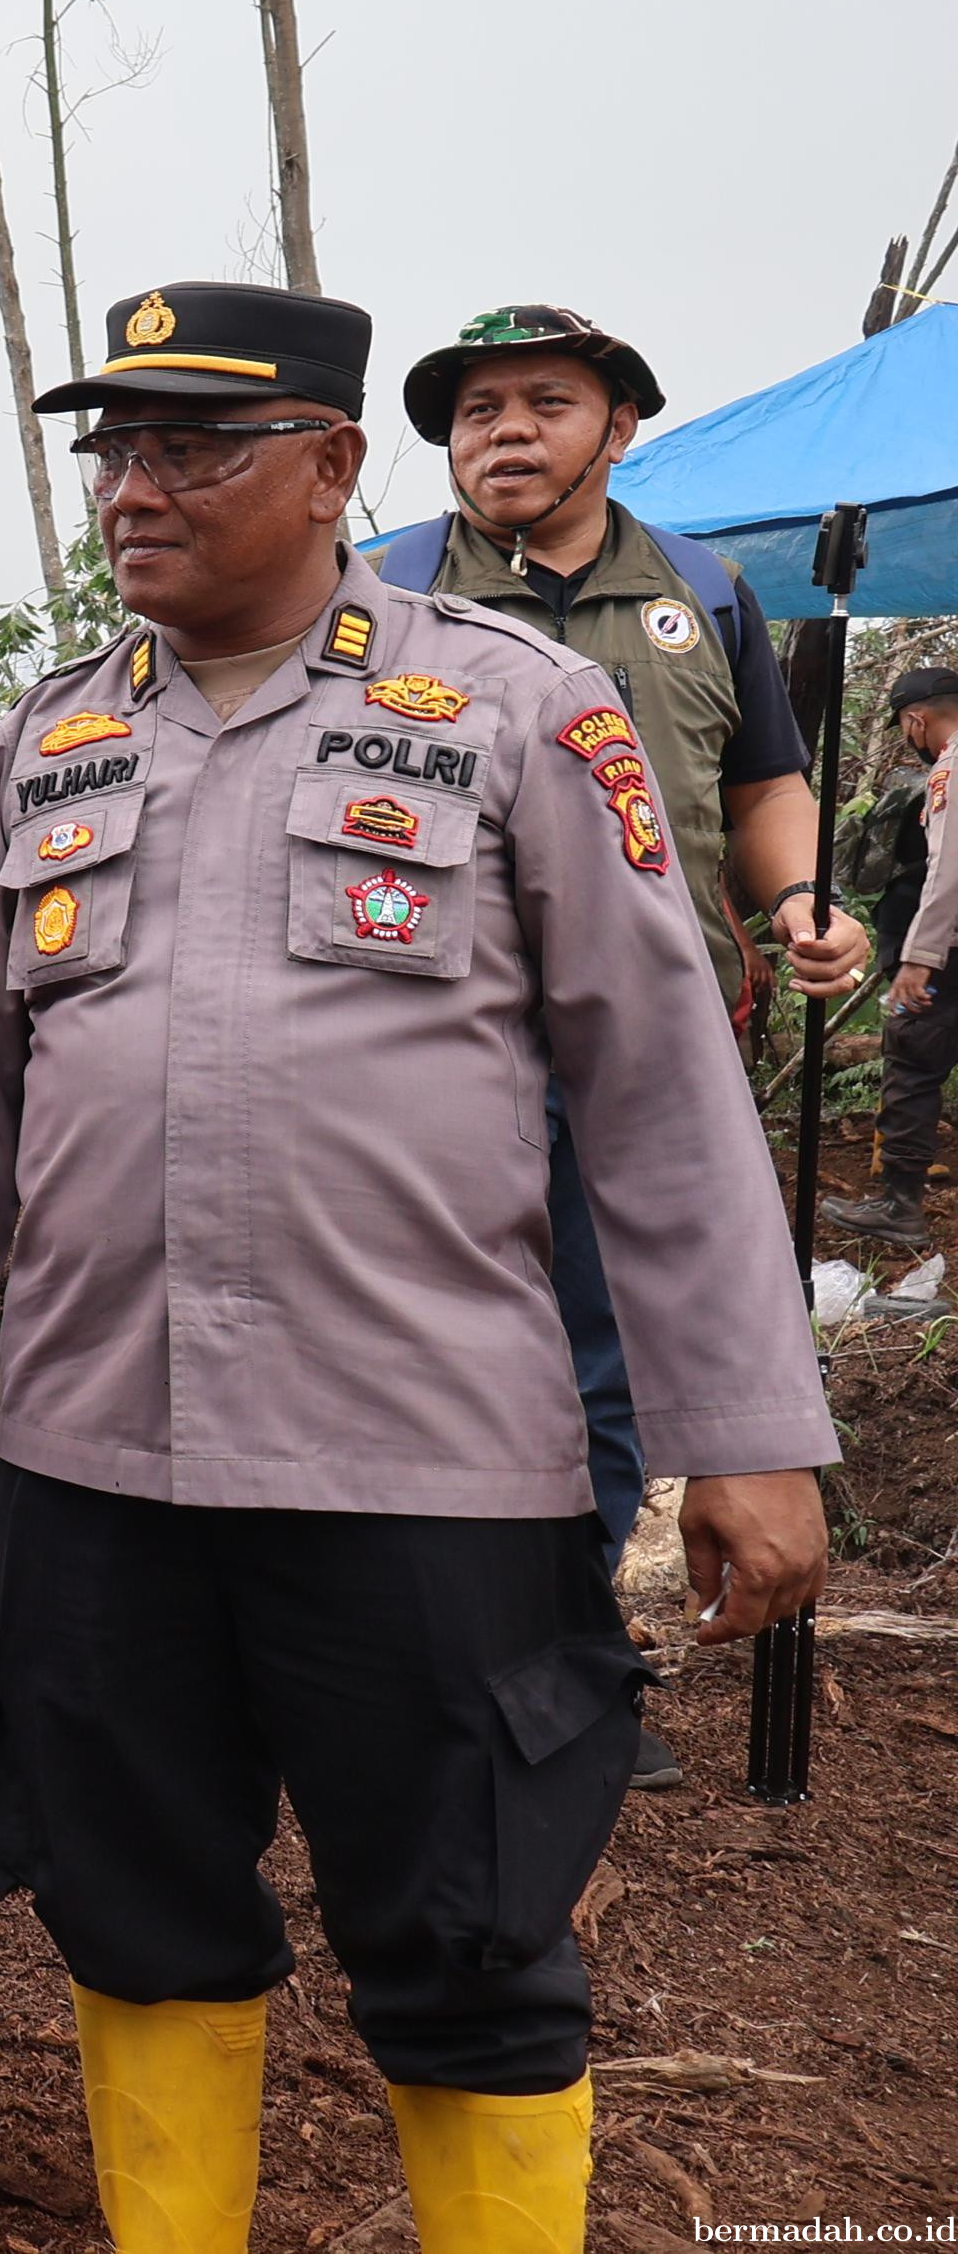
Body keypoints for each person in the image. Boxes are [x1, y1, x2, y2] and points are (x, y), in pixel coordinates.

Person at [0, 281, 839, 2254]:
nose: (137, 488)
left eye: (192, 448)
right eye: (114, 448)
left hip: (423, 1471)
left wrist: (745, 1431)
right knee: (133, 1919)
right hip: (102, 1472)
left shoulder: (510, 712)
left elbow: (657, 1093)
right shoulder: (45, 749)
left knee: (469, 1940)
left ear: (329, 471)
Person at [370, 302, 864, 1789]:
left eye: (542, 403)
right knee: (434, 1355)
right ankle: (402, 1667)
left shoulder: (701, 592)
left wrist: (796, 898)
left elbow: (765, 778)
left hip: (649, 1053)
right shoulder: (379, 587)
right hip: (431, 1054)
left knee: (596, 1369)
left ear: (622, 425)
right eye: (475, 411)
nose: (504, 432)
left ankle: (569, 1672)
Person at [841, 667, 958, 1249]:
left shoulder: (950, 768)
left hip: (946, 958)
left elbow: (948, 870)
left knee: (912, 1065)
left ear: (917, 719)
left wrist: (920, 956)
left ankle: (900, 1206)